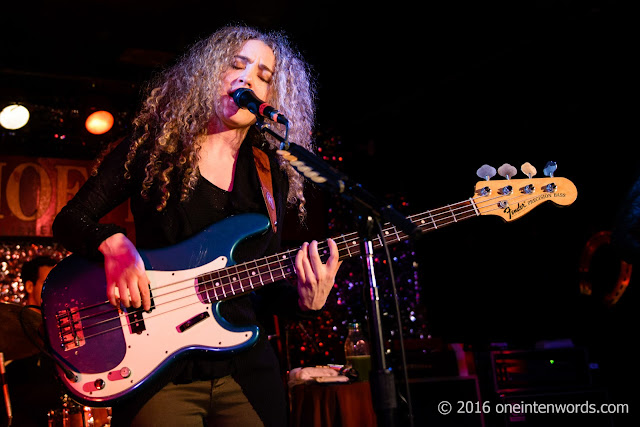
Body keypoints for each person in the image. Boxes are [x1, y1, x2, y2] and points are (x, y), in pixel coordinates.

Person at [52, 25, 341, 426]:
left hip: (246, 371)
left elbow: (261, 289)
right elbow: (69, 221)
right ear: (208, 73)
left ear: (272, 97)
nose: (247, 78)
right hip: (159, 372)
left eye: (263, 75)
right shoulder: (153, 149)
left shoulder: (268, 171)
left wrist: (308, 303)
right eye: (236, 65)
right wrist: (112, 243)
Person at [3, 256, 65, 426]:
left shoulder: (63, 332)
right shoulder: (12, 331)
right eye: (47, 283)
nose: (55, 290)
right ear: (30, 286)